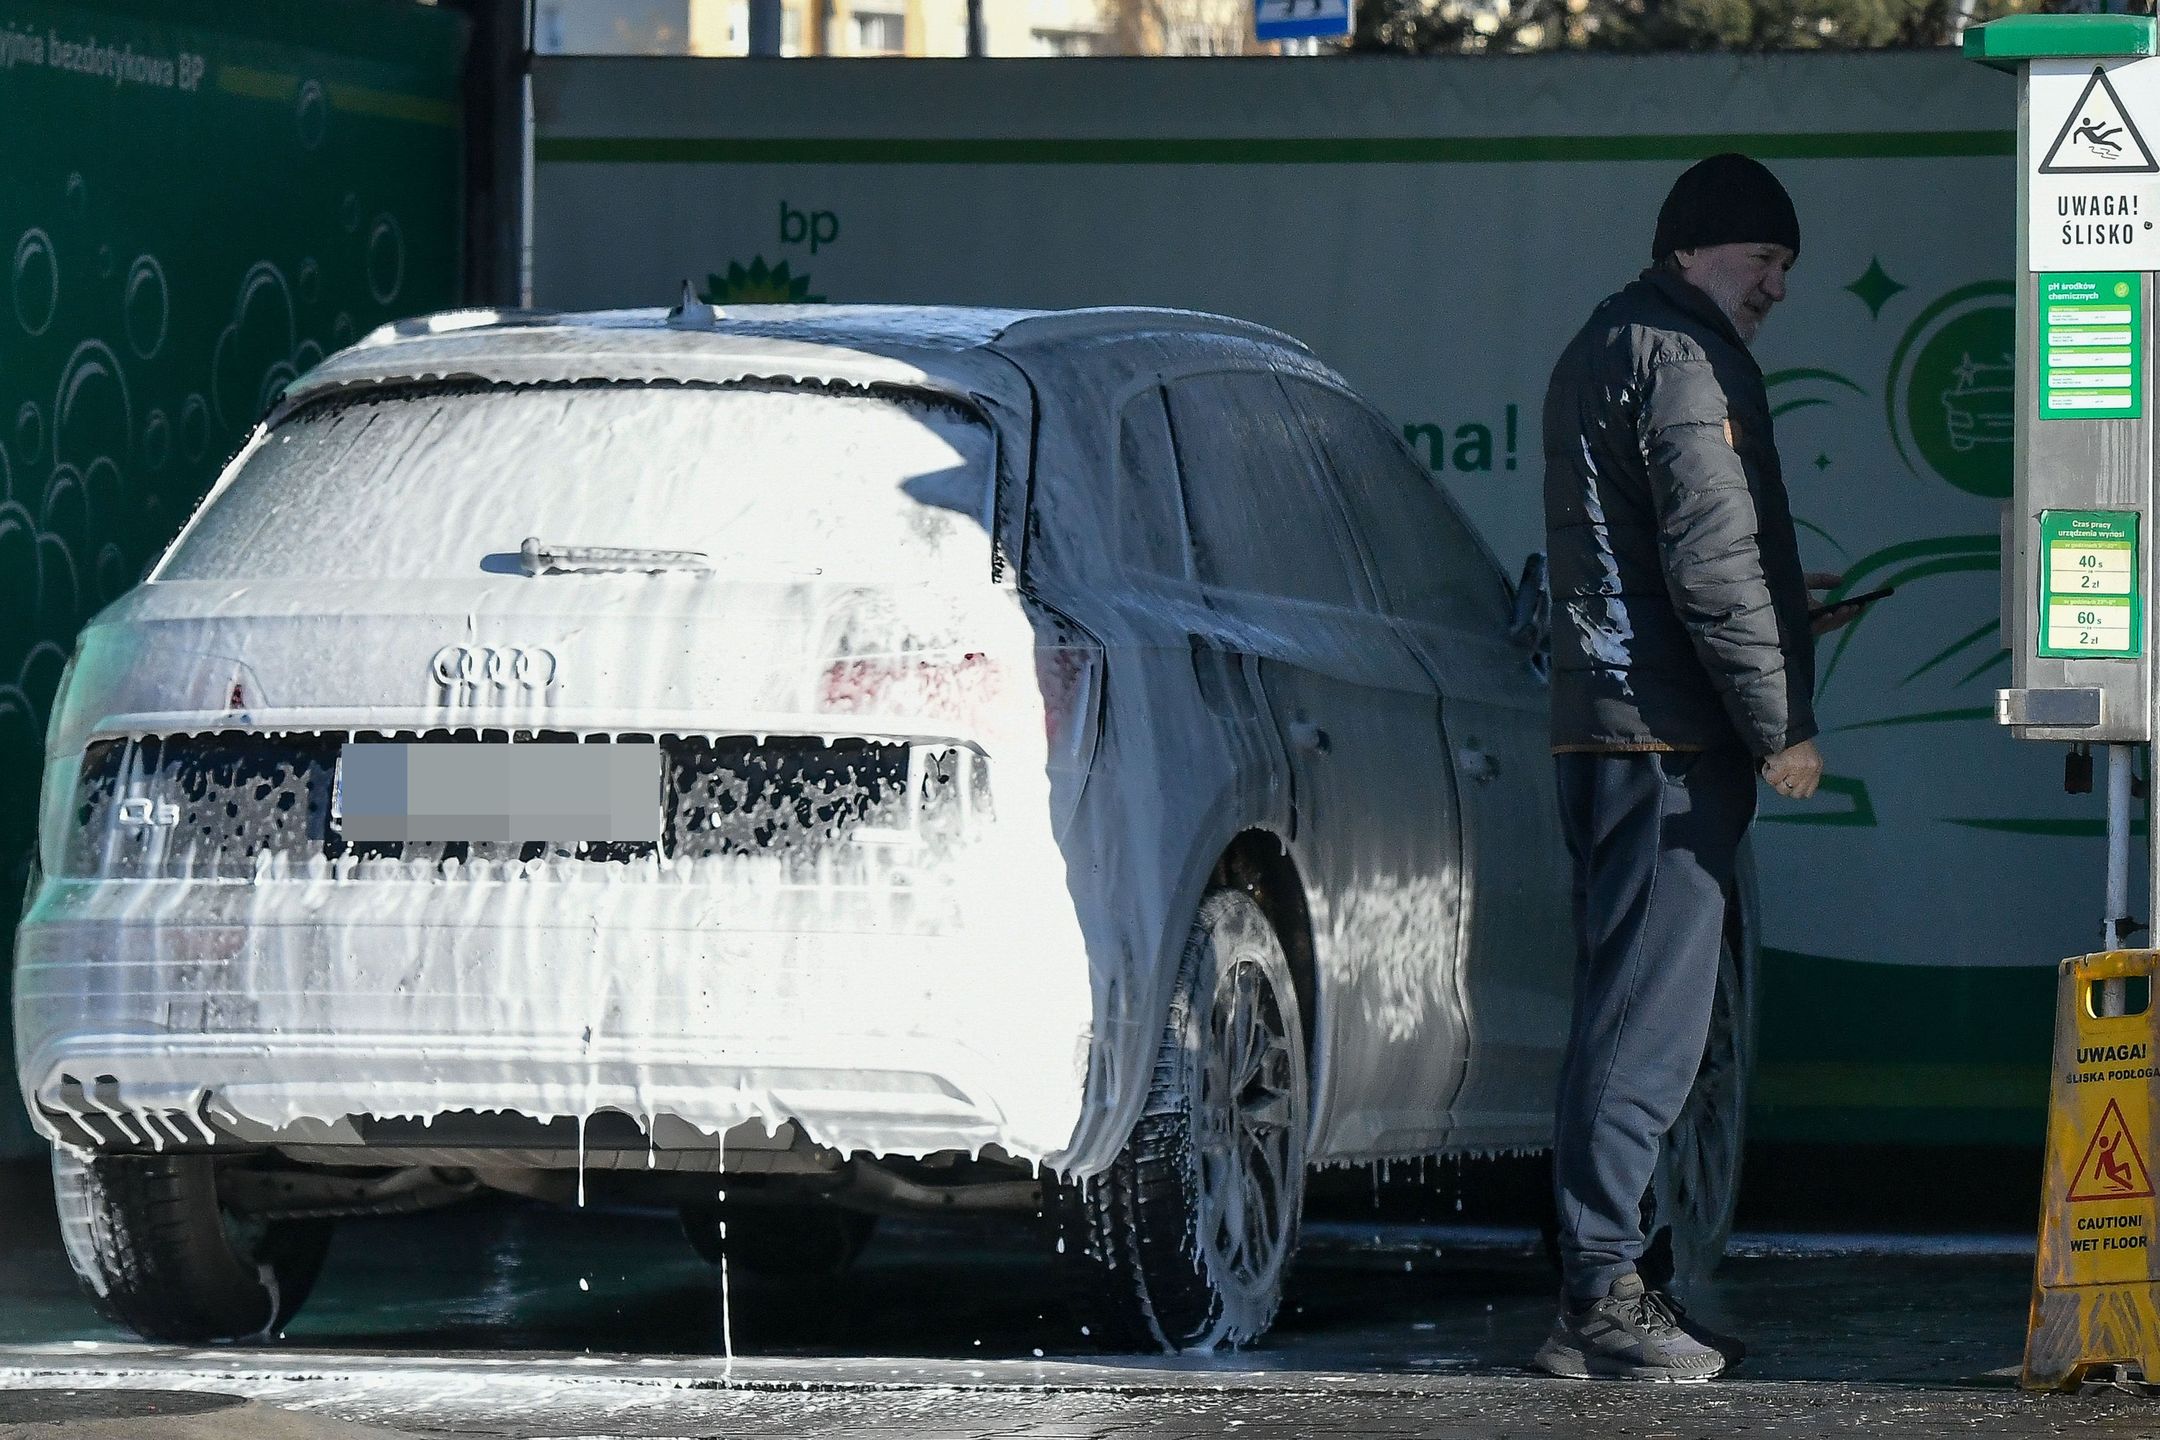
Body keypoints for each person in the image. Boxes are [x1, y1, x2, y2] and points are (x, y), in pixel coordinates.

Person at [1532, 153, 1862, 1382]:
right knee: (1646, 1026)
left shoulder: (1622, 342)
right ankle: (1601, 1297)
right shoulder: (1683, 359)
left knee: (1631, 1012)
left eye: (1785, 266)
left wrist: (1785, 606)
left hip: (1625, 721)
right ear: (1692, 250)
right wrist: (1780, 727)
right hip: (1666, 741)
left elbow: (1675, 556)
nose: (1776, 283)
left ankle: (1601, 1287)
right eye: (1762, 258)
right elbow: (1711, 564)